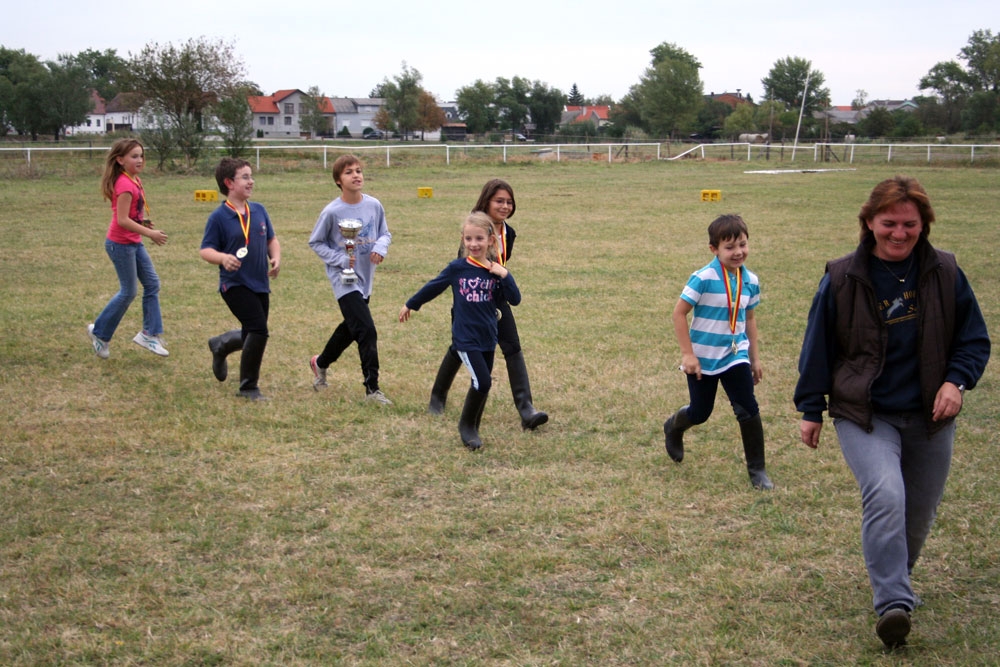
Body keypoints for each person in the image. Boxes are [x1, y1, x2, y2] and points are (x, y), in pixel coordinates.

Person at [794, 176, 989, 650]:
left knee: (916, 517)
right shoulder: (842, 276)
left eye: (909, 224)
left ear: (924, 225)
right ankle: (893, 605)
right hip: (865, 414)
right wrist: (810, 408)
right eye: (888, 223)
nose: (898, 234)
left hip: (930, 416)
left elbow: (973, 339)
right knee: (885, 494)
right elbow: (817, 344)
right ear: (868, 222)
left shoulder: (945, 271)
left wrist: (955, 381)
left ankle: (896, 580)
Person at [426, 179, 548, 430]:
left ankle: (526, 410)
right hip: (471, 301)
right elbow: (463, 268)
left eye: (509, 202)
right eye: (499, 201)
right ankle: (437, 397)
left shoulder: (508, 233)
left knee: (512, 347)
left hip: (497, 298)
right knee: (459, 347)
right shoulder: (475, 228)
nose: (504, 206)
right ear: (487, 201)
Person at [662, 214, 773, 490]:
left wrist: (755, 359)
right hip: (703, 358)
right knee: (700, 412)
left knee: (747, 407)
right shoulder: (703, 278)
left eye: (743, 245)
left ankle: (757, 470)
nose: (738, 252)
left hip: (736, 354)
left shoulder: (751, 280)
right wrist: (688, 355)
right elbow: (678, 313)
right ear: (714, 249)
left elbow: (750, 319)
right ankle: (674, 427)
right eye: (730, 247)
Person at [400, 212, 522, 450]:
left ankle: (474, 423)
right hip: (466, 339)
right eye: (468, 239)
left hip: (488, 336)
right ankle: (467, 428)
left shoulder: (495, 272)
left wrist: (505, 275)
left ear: (490, 241)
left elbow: (515, 299)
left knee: (482, 382)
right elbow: (433, 286)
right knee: (483, 382)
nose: (473, 244)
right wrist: (411, 304)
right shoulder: (457, 268)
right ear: (463, 240)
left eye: (478, 238)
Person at [308, 154, 393, 404]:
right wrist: (341, 260)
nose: (356, 175)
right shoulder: (332, 212)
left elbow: (385, 233)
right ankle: (372, 389)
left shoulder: (374, 205)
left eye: (358, 171)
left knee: (352, 327)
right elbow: (316, 242)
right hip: (344, 279)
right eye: (348, 172)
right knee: (366, 330)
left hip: (365, 277)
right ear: (338, 180)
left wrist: (381, 247)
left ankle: (320, 362)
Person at [199, 158, 281, 401]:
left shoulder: (259, 210)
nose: (251, 181)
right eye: (244, 177)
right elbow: (205, 250)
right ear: (228, 183)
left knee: (251, 335)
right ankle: (248, 388)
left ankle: (221, 344)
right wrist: (223, 258)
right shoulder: (219, 217)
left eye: (251, 176)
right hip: (234, 284)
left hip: (260, 283)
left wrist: (275, 258)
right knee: (258, 330)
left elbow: (271, 240)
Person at [87, 138, 169, 359]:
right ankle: (100, 333)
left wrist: (143, 224)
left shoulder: (134, 180)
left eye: (141, 155)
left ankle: (149, 334)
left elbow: (131, 217)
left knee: (152, 284)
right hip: (120, 245)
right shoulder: (124, 185)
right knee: (129, 291)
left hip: (133, 242)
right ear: (120, 160)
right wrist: (150, 233)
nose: (140, 160)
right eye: (134, 156)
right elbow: (122, 220)